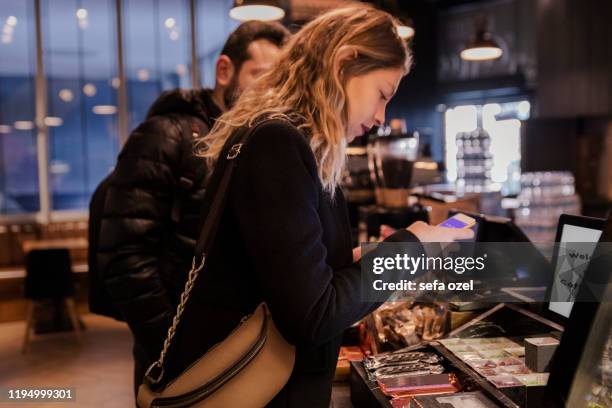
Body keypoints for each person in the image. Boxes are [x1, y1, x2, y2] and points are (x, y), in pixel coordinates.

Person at [163, 5, 473, 407]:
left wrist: (367, 254)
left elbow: (288, 270)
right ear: (343, 62)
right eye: (382, 95)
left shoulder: (283, 139)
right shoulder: (279, 143)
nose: (381, 117)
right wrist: (410, 249)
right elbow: (312, 315)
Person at [94, 20, 290, 395]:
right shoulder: (166, 135)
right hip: (177, 353)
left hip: (241, 351)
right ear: (224, 70)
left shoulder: (256, 143)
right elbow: (124, 255)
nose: (271, 92)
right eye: (261, 76)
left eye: (279, 81)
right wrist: (173, 344)